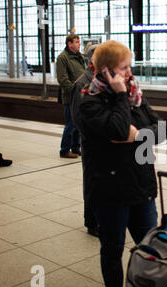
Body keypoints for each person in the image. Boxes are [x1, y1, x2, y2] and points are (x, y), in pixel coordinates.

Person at [73, 40, 162, 287]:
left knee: (150, 248)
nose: (129, 73)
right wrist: (120, 95)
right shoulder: (88, 98)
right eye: (124, 68)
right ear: (107, 70)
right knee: (113, 250)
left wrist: (140, 135)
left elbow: (161, 129)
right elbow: (117, 129)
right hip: (109, 190)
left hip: (141, 186)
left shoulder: (137, 94)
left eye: (129, 67)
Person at [70, 44, 100, 237]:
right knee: (92, 182)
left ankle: (103, 217)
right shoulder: (82, 83)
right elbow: (78, 117)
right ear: (92, 59)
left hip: (106, 144)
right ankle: (92, 222)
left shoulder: (105, 80)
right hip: (92, 143)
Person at [57, 34, 86, 159]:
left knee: (78, 123)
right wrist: (74, 91)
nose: (79, 44)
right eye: (77, 41)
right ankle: (64, 150)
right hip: (71, 97)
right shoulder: (63, 58)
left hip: (81, 95)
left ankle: (76, 147)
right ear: (69, 44)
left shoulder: (80, 57)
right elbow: (63, 79)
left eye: (79, 41)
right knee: (71, 123)